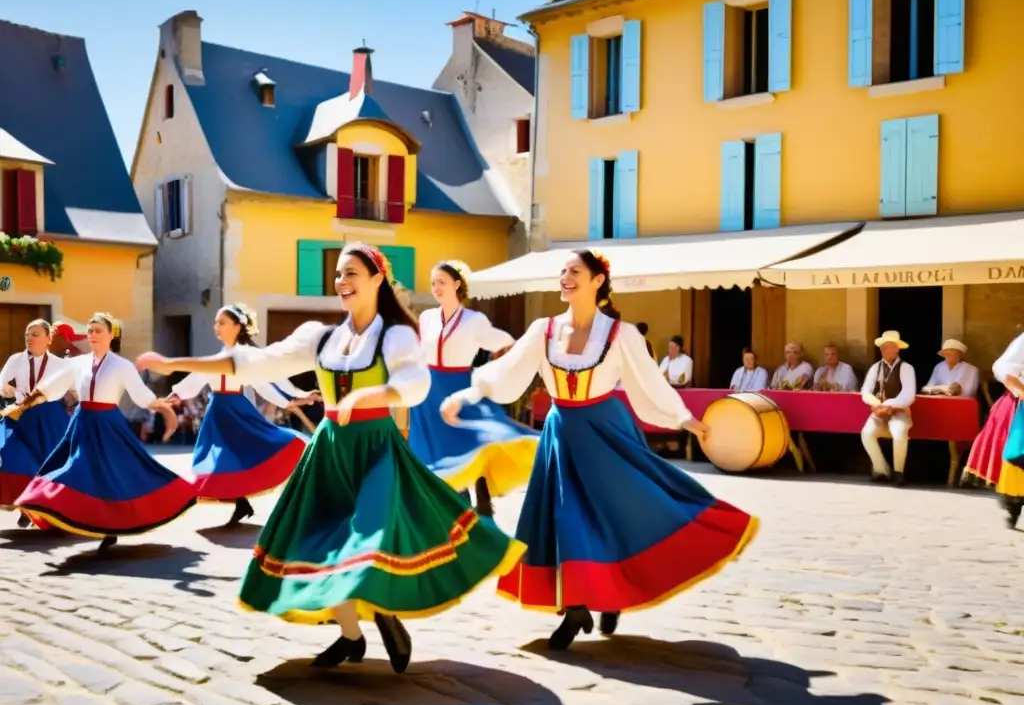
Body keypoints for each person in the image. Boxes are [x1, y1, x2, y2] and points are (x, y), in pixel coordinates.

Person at [136, 243, 526, 673]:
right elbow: (252, 362)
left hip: (375, 449)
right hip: (330, 452)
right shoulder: (321, 337)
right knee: (318, 540)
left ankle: (383, 609)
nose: (341, 281)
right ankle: (353, 636)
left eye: (352, 273)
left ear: (378, 278)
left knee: (367, 538)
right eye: (338, 274)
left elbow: (415, 383)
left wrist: (373, 394)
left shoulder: (395, 334)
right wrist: (174, 362)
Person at [441, 249, 758, 650]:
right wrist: (466, 396)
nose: (565, 277)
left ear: (597, 282)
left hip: (606, 431)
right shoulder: (544, 329)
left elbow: (649, 382)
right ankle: (575, 606)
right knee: (564, 516)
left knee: (619, 511)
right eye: (563, 271)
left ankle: (611, 591)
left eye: (575, 271)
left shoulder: (621, 334)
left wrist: (683, 419)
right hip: (561, 433)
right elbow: (508, 371)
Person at [2, 313, 194, 551]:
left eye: (98, 331)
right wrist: (23, 404)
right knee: (61, 469)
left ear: (111, 335)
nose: (92, 335)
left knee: (111, 475)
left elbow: (142, 396)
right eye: (90, 331)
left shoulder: (122, 365)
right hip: (81, 425)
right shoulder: (79, 363)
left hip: (108, 427)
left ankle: (111, 526)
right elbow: (51, 385)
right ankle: (53, 510)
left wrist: (166, 411)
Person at [164, 304, 315, 527]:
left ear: (237, 326)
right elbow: (195, 379)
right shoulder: (214, 359)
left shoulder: (247, 359)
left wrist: (292, 400)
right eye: (216, 322)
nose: (217, 326)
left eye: (222, 322)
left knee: (246, 454)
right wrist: (173, 395)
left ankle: (256, 500)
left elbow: (264, 385)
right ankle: (240, 502)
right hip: (217, 414)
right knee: (219, 460)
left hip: (237, 411)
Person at [409, 260, 539, 517]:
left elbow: (506, 343)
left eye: (442, 282)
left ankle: (466, 513)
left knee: (462, 451)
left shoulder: (474, 320)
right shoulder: (426, 317)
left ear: (457, 285)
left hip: (458, 389)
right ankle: (443, 515)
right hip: (427, 394)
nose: (436, 288)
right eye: (434, 283)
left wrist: (492, 372)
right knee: (429, 455)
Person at [0, 320, 71, 526]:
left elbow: (75, 391)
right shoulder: (16, 359)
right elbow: (2, 384)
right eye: (27, 334)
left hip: (50, 418)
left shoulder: (61, 364)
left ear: (49, 339)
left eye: (35, 334)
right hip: (20, 417)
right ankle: (26, 504)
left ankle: (42, 509)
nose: (29, 338)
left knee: (50, 466)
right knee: (9, 456)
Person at [963, 332, 1024, 528]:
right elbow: (1003, 367)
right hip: (1021, 402)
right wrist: (1018, 389)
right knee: (1016, 457)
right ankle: (1013, 504)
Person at [860, 330, 916, 486]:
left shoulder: (906, 368)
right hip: (879, 412)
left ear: (897, 349)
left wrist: (888, 406)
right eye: (883, 347)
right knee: (866, 434)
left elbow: (908, 394)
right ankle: (881, 469)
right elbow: (865, 391)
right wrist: (877, 405)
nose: (884, 350)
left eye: (889, 346)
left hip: (899, 412)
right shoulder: (875, 368)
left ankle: (898, 472)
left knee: (899, 433)